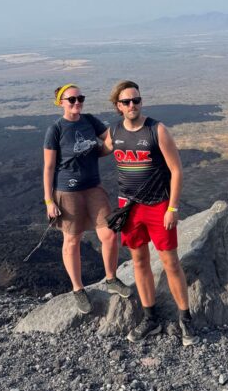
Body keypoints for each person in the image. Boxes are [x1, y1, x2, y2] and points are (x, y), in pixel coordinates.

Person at [106, 80, 197, 345]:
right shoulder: (114, 132)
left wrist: (173, 207)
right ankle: (150, 319)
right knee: (139, 262)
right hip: (129, 208)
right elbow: (93, 150)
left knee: (170, 262)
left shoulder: (157, 131)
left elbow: (177, 170)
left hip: (158, 206)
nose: (132, 105)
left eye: (136, 100)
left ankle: (186, 319)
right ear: (118, 106)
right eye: (126, 102)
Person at [43, 84, 131, 312]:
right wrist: (49, 200)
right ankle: (78, 289)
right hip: (67, 191)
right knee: (72, 240)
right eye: (71, 99)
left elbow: (104, 145)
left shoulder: (90, 121)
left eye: (80, 98)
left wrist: (118, 136)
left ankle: (111, 279)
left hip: (93, 188)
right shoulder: (56, 129)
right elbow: (49, 167)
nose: (76, 102)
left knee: (110, 235)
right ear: (61, 102)